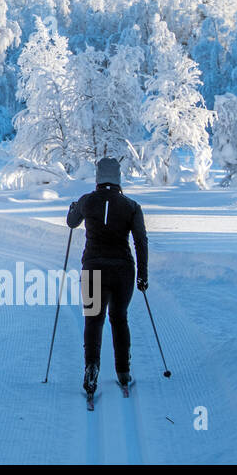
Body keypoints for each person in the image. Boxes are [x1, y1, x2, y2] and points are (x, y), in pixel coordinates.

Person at [65, 157, 148, 397]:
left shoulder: (87, 201)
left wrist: (73, 209)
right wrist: (142, 275)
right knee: (119, 319)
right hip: (123, 270)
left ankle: (91, 367)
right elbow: (140, 241)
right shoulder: (131, 206)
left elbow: (71, 223)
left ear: (98, 178)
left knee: (93, 319)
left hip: (93, 268)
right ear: (118, 177)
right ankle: (123, 372)